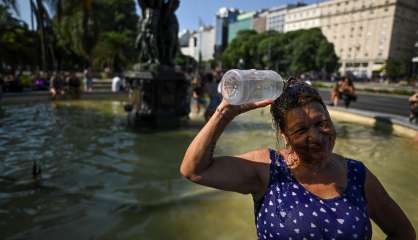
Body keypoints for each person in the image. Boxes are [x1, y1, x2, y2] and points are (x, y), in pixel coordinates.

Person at [180, 80, 415, 239]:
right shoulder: (268, 169)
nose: (316, 136)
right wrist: (225, 112)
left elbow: (404, 234)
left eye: (321, 123)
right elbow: (194, 169)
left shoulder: (357, 174)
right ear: (284, 135)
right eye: (301, 130)